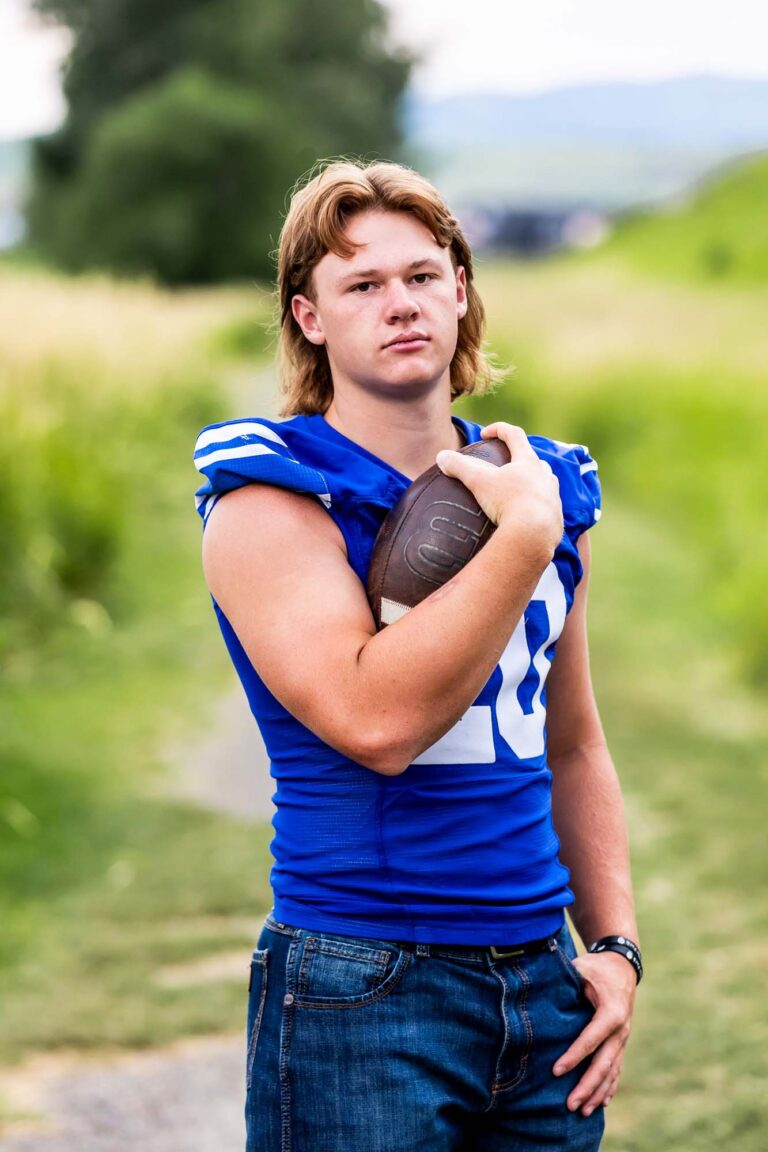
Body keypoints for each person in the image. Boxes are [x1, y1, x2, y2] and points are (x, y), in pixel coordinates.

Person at [193, 160, 640, 1152]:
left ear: (461, 290)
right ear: (310, 317)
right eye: (361, 284)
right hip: (364, 981)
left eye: (423, 275)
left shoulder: (543, 484)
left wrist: (613, 947)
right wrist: (519, 538)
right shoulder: (272, 501)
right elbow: (377, 723)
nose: (401, 303)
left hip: (542, 986)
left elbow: (573, 745)